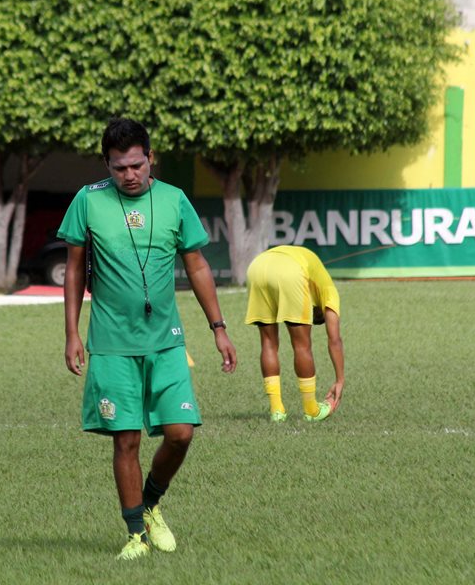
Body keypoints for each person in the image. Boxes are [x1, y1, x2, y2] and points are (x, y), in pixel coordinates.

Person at [59, 117, 237, 561]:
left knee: (180, 433)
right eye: (119, 168)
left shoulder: (175, 200)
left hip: (167, 341)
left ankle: (152, 501)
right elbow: (75, 268)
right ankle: (136, 532)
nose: (129, 176)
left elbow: (196, 265)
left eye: (137, 165)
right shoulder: (87, 200)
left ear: (150, 158)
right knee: (127, 440)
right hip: (111, 343)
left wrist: (219, 328)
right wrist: (71, 333)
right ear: (107, 165)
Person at [244, 245, 344, 423]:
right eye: (317, 318)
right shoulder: (329, 292)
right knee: (302, 345)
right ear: (320, 310)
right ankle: (311, 410)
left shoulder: (314, 271)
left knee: (268, 342)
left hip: (257, 267)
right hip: (289, 271)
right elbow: (334, 340)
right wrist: (340, 380)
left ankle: (277, 411)